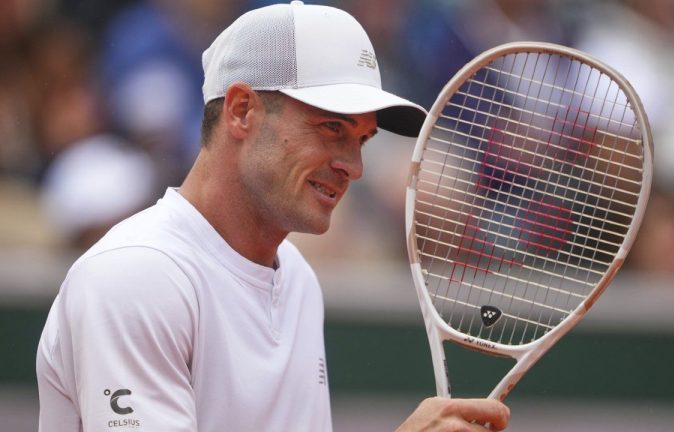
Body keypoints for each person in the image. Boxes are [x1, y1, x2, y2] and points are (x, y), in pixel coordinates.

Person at [36, 2, 510, 431]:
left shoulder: (299, 281)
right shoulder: (135, 276)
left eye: (361, 139)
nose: (354, 166)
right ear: (242, 111)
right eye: (331, 128)